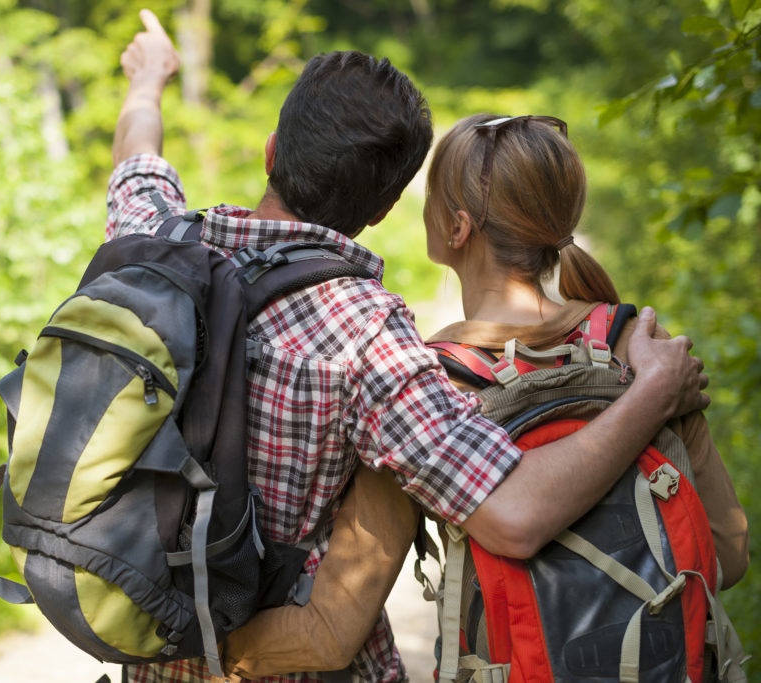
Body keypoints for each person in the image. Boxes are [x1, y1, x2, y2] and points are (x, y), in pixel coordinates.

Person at [108, 11, 710, 683]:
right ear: (382, 211)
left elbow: (137, 156)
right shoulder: (367, 335)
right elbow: (513, 514)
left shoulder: (154, 243)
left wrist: (149, 77)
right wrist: (655, 390)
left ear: (271, 152)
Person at [221, 114, 749, 679]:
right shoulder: (642, 350)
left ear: (457, 228)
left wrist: (193, 644)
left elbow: (332, 632)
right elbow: (727, 552)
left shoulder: (425, 387)